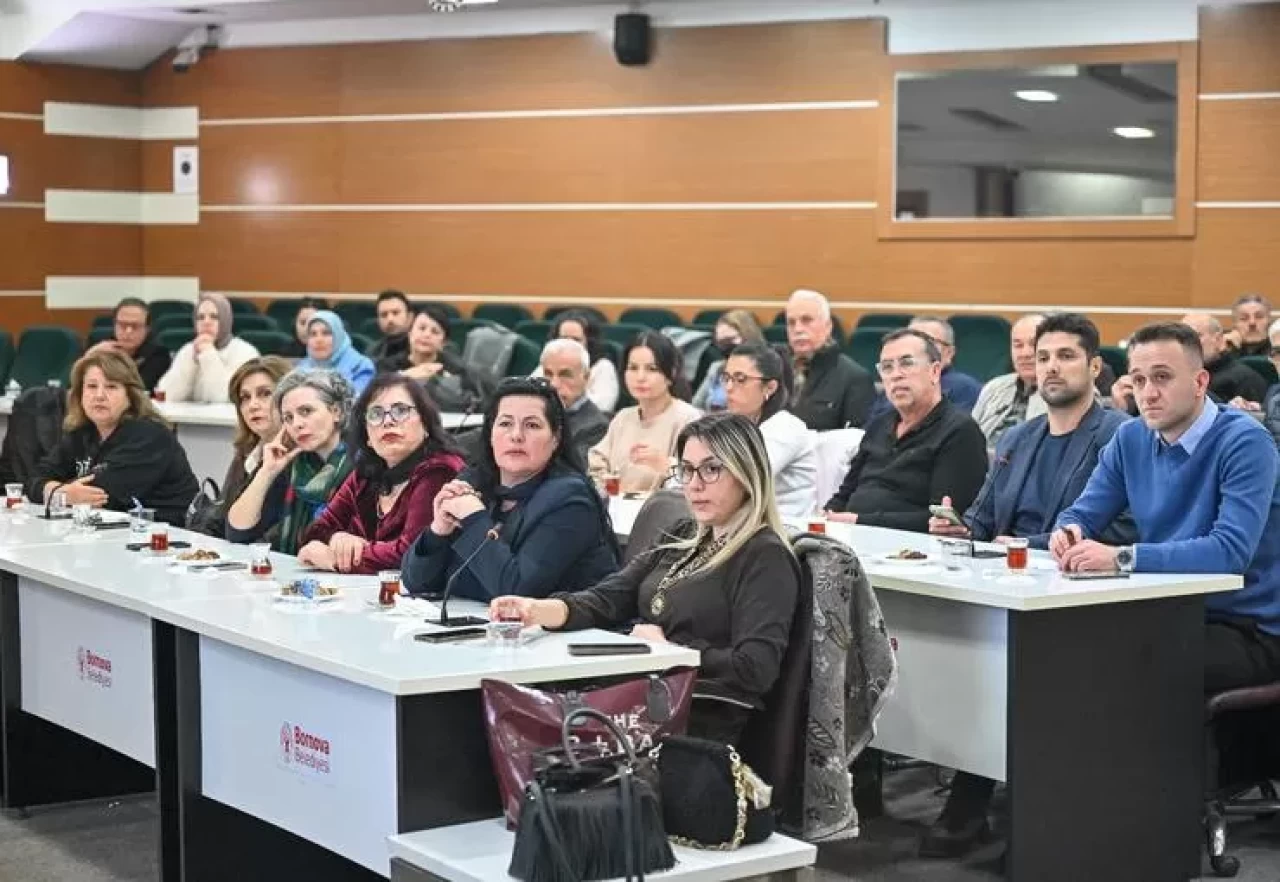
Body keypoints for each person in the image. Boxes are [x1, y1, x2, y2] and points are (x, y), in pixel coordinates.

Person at [921, 314, 1136, 858]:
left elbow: (1119, 528)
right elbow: (985, 519)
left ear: (1093, 367)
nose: (1051, 367)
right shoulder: (1020, 437)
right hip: (1010, 582)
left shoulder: (1118, 436)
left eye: (1065, 356)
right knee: (961, 657)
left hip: (1077, 592)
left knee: (1017, 674)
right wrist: (960, 527)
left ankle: (1018, 818)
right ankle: (972, 804)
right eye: (1043, 357)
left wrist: (1027, 543)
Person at [491, 413, 799, 744]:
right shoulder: (685, 534)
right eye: (687, 470)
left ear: (746, 473)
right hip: (647, 701)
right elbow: (612, 596)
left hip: (698, 720)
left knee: (526, 729)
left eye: (712, 469)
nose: (694, 485)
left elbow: (756, 668)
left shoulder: (764, 555)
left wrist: (672, 648)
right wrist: (536, 611)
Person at [1050, 322, 1280, 697]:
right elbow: (1083, 513)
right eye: (1138, 380)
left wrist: (1121, 558)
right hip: (1170, 610)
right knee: (1060, 639)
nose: (1148, 393)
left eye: (1162, 378)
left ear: (1201, 382)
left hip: (1249, 627)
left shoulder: (1246, 442)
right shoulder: (1130, 437)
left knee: (1119, 659)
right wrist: (1068, 530)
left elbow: (1229, 552)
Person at [401, 377, 620, 602]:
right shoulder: (475, 483)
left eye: (532, 425)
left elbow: (517, 591)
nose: (516, 435)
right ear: (491, 436)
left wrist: (474, 519)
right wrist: (439, 530)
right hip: (477, 629)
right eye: (505, 424)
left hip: (565, 635)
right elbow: (416, 582)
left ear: (556, 438)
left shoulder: (571, 501)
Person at [298, 375, 465, 574]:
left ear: (426, 424)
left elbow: (412, 552)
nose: (388, 422)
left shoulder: (441, 470)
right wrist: (337, 538)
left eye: (401, 411)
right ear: (367, 436)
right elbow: (314, 531)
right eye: (376, 414)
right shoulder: (366, 474)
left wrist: (336, 558)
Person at [825, 329, 987, 532]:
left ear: (935, 372)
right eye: (887, 367)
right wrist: (826, 517)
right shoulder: (879, 424)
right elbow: (845, 493)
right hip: (851, 537)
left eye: (906, 363)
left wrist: (859, 521)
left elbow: (944, 522)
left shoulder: (960, 431)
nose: (896, 375)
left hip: (915, 552)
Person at [27, 351, 197, 525]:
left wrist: (56, 491)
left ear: (130, 396)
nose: (99, 395)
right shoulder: (82, 433)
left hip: (166, 539)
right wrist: (65, 493)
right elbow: (33, 479)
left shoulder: (149, 436)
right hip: (112, 533)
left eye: (111, 387)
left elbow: (102, 496)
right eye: (92, 386)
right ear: (80, 394)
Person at [226, 369, 356, 554]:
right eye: (288, 417)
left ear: (336, 412)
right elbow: (237, 532)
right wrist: (266, 472)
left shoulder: (364, 464)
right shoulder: (291, 464)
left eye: (306, 411)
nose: (297, 424)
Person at [588, 331, 701, 493]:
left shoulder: (688, 418)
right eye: (633, 368)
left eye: (652, 369)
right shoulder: (622, 418)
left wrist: (666, 465)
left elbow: (697, 476)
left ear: (672, 373)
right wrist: (612, 490)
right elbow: (597, 465)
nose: (640, 377)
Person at [722, 342, 817, 518]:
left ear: (770, 387)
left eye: (740, 379)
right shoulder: (730, 423)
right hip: (743, 523)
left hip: (786, 529)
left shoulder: (786, 427)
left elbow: (744, 478)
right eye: (726, 378)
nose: (728, 387)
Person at [785, 289, 874, 431]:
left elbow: (856, 442)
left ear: (828, 326)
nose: (798, 329)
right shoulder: (775, 370)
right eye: (791, 323)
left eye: (807, 320)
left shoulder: (854, 378)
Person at [156, 292, 260, 403]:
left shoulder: (245, 352)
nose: (206, 322)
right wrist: (192, 361)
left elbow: (222, 398)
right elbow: (166, 395)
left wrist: (208, 354)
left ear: (226, 320)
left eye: (214, 317)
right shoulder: (188, 350)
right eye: (200, 317)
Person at [222, 356, 292, 516]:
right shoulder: (246, 452)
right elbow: (222, 515)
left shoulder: (301, 457)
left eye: (265, 393)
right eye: (245, 397)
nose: (253, 405)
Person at [393, 306, 489, 411]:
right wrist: (405, 376)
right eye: (422, 328)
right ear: (410, 334)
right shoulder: (388, 365)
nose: (426, 335)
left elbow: (474, 404)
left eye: (435, 332)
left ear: (443, 343)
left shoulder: (457, 370)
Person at [970, 314, 1046, 444]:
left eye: (1034, 344)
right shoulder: (994, 387)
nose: (1025, 354)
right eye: (1018, 345)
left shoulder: (1065, 394)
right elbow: (968, 438)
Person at [540, 338, 609, 462]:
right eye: (548, 374)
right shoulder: (534, 413)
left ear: (586, 377)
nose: (554, 384)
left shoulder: (596, 427)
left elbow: (570, 470)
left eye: (565, 375)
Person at [84, 298, 171, 391]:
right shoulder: (98, 344)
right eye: (122, 325)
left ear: (147, 329)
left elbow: (139, 389)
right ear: (114, 325)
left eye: (135, 326)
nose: (128, 331)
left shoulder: (158, 354)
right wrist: (90, 356)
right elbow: (74, 384)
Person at [1182, 312, 1268, 405]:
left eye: (1196, 336)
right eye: (1182, 338)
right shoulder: (1177, 376)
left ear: (1219, 340)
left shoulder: (1246, 379)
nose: (1187, 344)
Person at [693, 310, 766, 412]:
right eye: (721, 342)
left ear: (748, 337)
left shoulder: (765, 370)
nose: (725, 346)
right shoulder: (716, 368)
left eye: (730, 340)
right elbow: (696, 406)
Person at [549, 310, 619, 413]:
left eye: (576, 339)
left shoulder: (603, 367)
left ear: (589, 342)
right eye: (563, 339)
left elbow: (603, 407)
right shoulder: (548, 364)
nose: (569, 344)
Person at [297, 310, 376, 397]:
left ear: (338, 336)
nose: (318, 340)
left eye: (326, 333)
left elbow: (357, 403)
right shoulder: (301, 368)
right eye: (313, 334)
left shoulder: (360, 366)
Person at [369, 289, 414, 371]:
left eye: (395, 313)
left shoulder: (421, 347)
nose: (390, 319)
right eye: (384, 315)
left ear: (410, 318)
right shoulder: (373, 352)